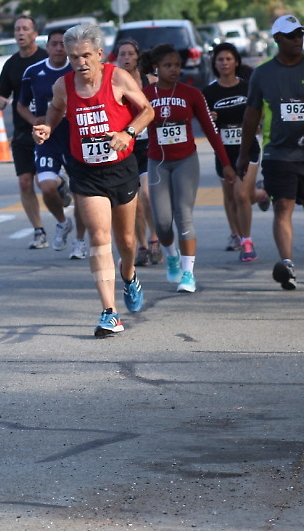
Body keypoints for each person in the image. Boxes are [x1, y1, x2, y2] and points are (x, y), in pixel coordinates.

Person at [33, 23, 154, 336]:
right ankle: (109, 312)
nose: (80, 62)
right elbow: (56, 110)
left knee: (126, 242)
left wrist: (128, 133)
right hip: (85, 170)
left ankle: (129, 276)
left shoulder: (117, 77)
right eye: (74, 57)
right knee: (99, 236)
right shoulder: (64, 85)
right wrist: (47, 127)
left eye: (86, 55)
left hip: (120, 168)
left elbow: (147, 111)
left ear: (100, 54)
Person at [236, 14, 304, 290]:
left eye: (300, 34)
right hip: (277, 154)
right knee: (282, 206)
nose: (298, 39)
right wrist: (244, 154)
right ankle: (287, 264)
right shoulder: (263, 73)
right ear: (277, 39)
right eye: (291, 35)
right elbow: (251, 115)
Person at [143, 43, 236, 293]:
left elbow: (210, 129)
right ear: (156, 68)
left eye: (177, 65)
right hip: (157, 162)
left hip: (185, 161)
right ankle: (171, 255)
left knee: (183, 215)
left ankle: (188, 274)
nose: (174, 70)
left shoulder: (191, 93)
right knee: (162, 223)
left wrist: (226, 162)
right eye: (168, 66)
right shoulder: (145, 94)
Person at [17, 28, 86, 255]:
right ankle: (62, 222)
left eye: (62, 45)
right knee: (46, 187)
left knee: (80, 193)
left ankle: (79, 241)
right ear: (47, 47)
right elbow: (21, 105)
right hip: (48, 140)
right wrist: (33, 120)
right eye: (54, 44)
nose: (58, 48)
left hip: (75, 138)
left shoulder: (78, 70)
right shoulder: (33, 72)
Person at [201, 42, 269, 263]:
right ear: (215, 63)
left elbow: (260, 114)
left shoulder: (248, 86)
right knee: (234, 197)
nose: (224, 63)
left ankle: (246, 241)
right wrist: (210, 119)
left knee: (240, 195)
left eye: (229, 59)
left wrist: (258, 124)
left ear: (236, 62)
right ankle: (261, 196)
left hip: (248, 149)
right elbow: (205, 126)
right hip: (224, 151)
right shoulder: (209, 92)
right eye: (220, 60)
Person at [0, 15, 50, 249]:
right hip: (21, 131)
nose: (20, 33)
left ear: (34, 34)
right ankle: (39, 230)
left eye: (25, 29)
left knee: (46, 182)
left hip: (49, 128)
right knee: (26, 183)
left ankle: (63, 189)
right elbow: (1, 94)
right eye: (17, 29)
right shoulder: (11, 64)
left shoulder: (46, 59)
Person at [114, 38, 162, 267]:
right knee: (135, 202)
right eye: (122, 54)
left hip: (148, 146)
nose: (126, 57)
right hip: (126, 147)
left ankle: (155, 239)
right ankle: (141, 246)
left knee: (148, 196)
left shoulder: (150, 82)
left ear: (137, 57)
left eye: (130, 53)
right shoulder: (112, 85)